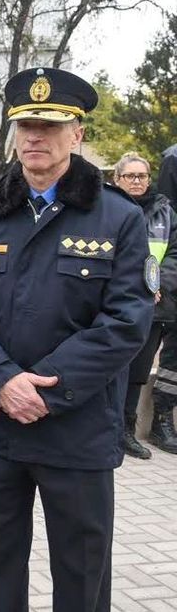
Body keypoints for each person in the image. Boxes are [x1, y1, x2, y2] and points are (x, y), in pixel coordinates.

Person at [0, 67, 154, 612]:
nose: (37, 136)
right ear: (14, 134)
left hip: (76, 430)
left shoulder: (118, 219)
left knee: (82, 576)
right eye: (26, 125)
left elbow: (127, 320)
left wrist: (44, 388)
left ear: (76, 133)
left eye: (50, 126)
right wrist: (3, 378)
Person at [115, 153, 177, 457]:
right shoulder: (107, 209)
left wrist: (157, 284)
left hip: (154, 304)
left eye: (142, 176)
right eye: (130, 176)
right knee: (115, 367)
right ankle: (111, 428)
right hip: (117, 303)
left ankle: (127, 429)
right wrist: (137, 285)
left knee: (138, 370)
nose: (137, 181)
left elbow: (174, 254)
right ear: (117, 179)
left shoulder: (165, 212)